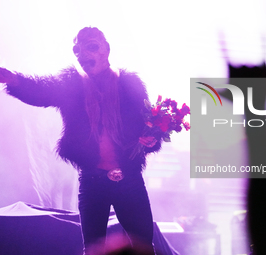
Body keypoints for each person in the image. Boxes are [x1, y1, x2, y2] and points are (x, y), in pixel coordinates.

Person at [0, 27, 161, 255]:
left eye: (91, 47)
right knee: (92, 250)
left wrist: (151, 139)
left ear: (106, 49)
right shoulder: (71, 84)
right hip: (92, 182)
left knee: (144, 247)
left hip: (130, 180)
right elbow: (42, 90)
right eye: (77, 50)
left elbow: (151, 124)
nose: (83, 54)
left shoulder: (130, 85)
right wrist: (14, 79)